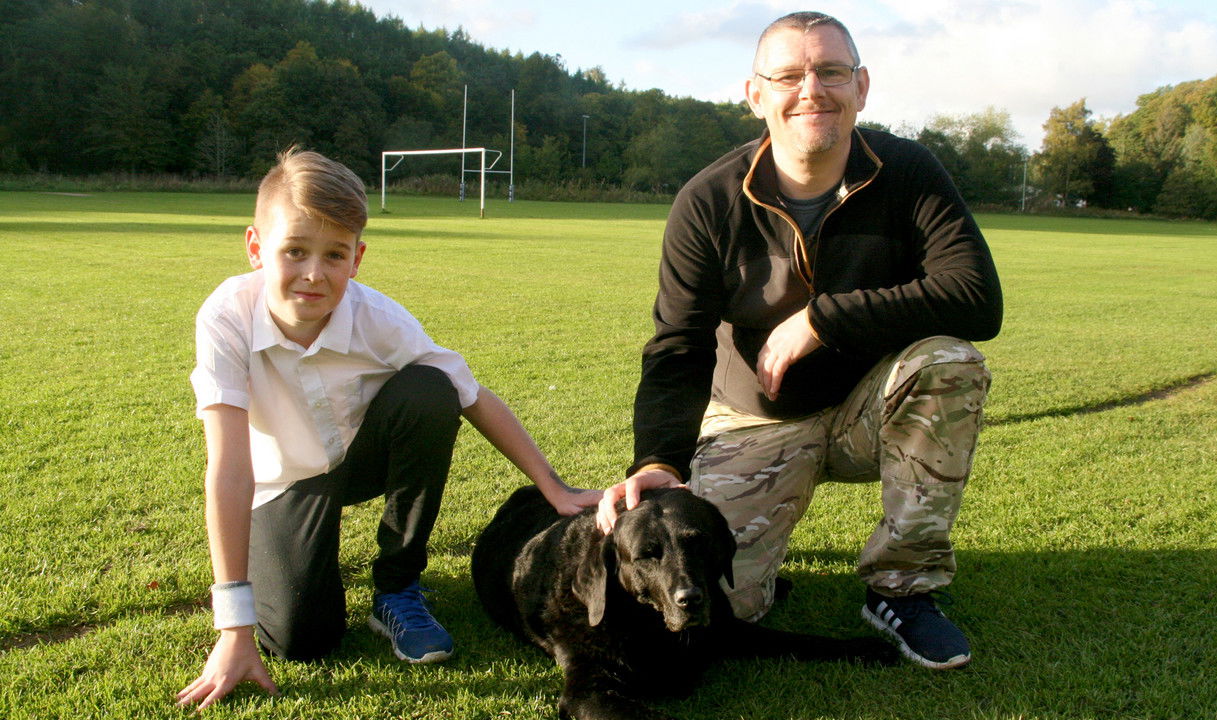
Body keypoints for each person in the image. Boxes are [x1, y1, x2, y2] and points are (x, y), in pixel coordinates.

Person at [596, 11, 1002, 670]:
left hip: (868, 409)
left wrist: (823, 318)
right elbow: (678, 344)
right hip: (754, 417)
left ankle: (902, 590)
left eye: (831, 71)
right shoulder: (708, 200)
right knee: (726, 605)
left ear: (861, 86)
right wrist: (658, 461)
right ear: (756, 95)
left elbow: (976, 298)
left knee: (949, 362)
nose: (811, 89)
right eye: (788, 75)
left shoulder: (907, 172)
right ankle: (764, 557)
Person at [178, 147, 601, 709]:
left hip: (358, 460)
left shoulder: (381, 319)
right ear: (256, 248)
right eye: (294, 251)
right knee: (303, 640)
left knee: (432, 388)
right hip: (286, 481)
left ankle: (397, 586)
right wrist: (234, 629)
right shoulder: (225, 317)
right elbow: (230, 469)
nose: (313, 273)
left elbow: (474, 398)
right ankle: (307, 563)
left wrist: (554, 486)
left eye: (334, 255)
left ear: (357, 258)